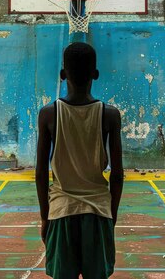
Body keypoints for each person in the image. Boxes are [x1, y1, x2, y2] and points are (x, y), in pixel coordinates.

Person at [36, 42, 123, 279]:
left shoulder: (48, 113)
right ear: (95, 74)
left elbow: (41, 173)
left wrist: (45, 217)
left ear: (63, 74)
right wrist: (111, 216)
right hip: (98, 211)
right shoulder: (110, 114)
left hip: (61, 210)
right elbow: (117, 174)